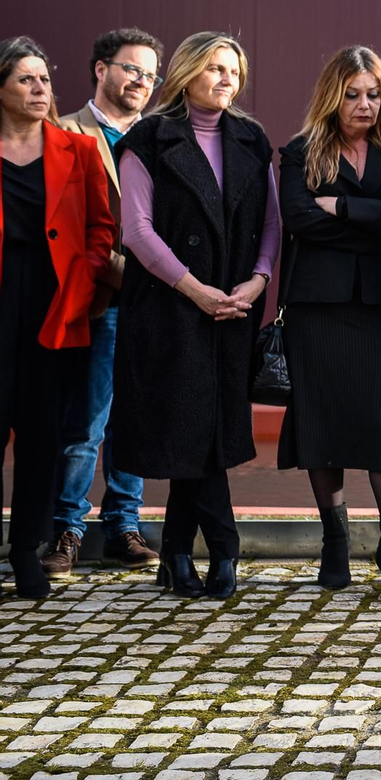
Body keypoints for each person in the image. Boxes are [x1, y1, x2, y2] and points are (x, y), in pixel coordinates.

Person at [112, 31, 280, 600]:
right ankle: (224, 550)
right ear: (186, 73)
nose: (227, 78)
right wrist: (195, 289)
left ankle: (178, 552)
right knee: (193, 427)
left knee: (206, 431)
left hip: (233, 307)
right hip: (168, 306)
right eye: (214, 67)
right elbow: (136, 231)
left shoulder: (252, 139)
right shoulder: (150, 138)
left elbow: (273, 224)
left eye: (234, 69)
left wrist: (257, 282)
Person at [277, 46, 381, 602]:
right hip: (317, 308)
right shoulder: (301, 152)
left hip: (380, 308)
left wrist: (339, 207)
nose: (364, 104)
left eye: (373, 93)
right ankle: (334, 539)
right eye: (352, 94)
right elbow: (298, 218)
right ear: (332, 95)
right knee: (324, 423)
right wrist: (377, 216)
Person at [43, 28, 164, 579]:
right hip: (92, 300)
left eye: (149, 73)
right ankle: (66, 528)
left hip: (153, 302)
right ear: (100, 69)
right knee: (86, 420)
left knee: (135, 418)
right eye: (130, 68)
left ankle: (123, 526)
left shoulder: (164, 137)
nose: (140, 81)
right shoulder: (62, 132)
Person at [0, 37, 115, 597]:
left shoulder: (77, 150)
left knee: (43, 436)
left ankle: (27, 552)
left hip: (55, 308)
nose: (40, 89)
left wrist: (87, 273)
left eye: (44, 79)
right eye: (26, 79)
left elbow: (102, 227)